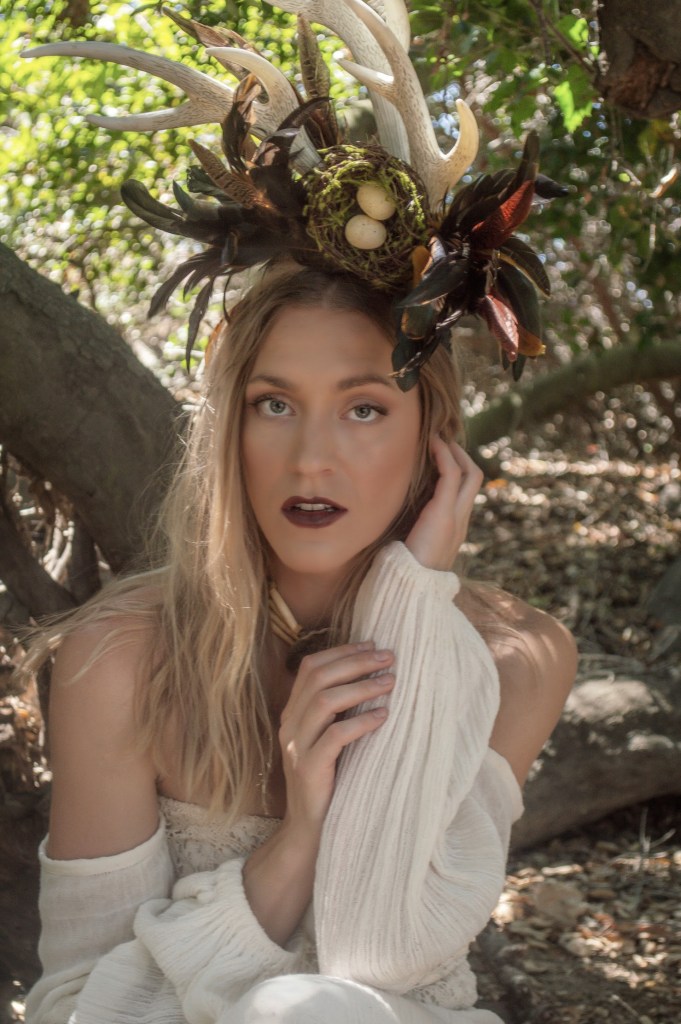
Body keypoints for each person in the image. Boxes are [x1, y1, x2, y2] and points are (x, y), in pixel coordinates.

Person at [20, 5, 577, 1021]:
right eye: (274, 403)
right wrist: (299, 833)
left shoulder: (519, 659)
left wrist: (410, 607)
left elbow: (383, 950)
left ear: (431, 433)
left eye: (364, 407)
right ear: (229, 423)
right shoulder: (121, 659)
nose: (311, 455)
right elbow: (70, 1007)